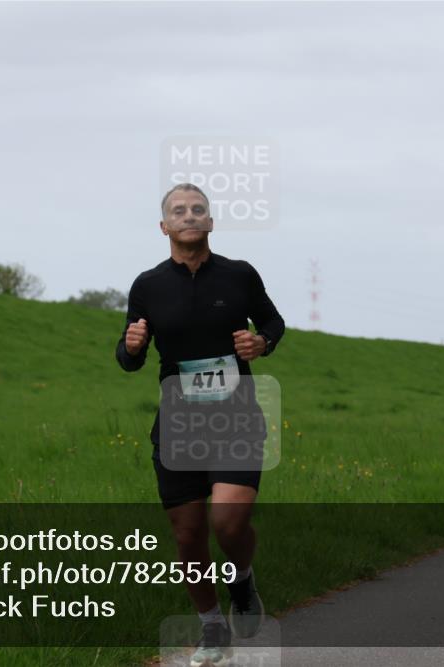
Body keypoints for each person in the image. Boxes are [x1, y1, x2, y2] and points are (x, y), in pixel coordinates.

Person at [116, 183, 285, 666]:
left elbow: (274, 323)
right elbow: (128, 360)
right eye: (178, 210)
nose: (189, 215)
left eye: (198, 209)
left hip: (236, 418)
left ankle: (243, 578)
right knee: (188, 535)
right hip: (178, 424)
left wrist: (262, 343)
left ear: (210, 222)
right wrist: (130, 346)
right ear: (164, 226)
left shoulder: (239, 275)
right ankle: (212, 627)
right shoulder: (148, 286)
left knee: (228, 523)